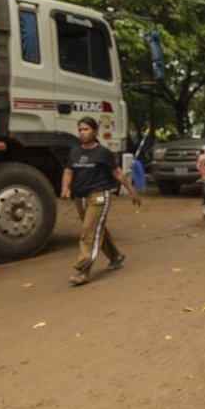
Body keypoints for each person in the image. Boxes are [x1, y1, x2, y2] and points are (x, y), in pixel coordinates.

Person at [61, 116, 141, 286]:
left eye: (86, 129)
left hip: (98, 195)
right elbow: (68, 171)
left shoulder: (103, 153)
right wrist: (65, 188)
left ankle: (83, 270)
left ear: (95, 131)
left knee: (88, 231)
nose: (83, 133)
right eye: (80, 130)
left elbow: (118, 173)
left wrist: (132, 190)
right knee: (97, 229)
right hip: (79, 197)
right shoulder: (74, 152)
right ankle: (116, 256)